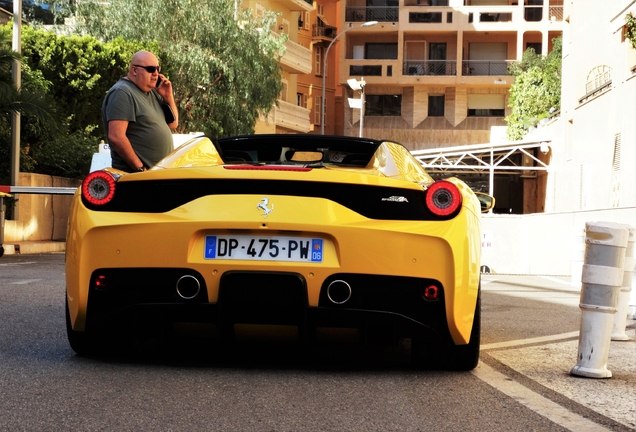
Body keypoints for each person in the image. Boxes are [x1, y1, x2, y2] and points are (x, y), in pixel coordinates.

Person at [101, 50, 179, 172]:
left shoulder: (153, 92)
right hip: (138, 178)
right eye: (150, 69)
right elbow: (116, 136)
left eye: (158, 69)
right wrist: (140, 169)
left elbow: (173, 124)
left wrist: (168, 96)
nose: (156, 74)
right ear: (134, 70)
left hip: (157, 176)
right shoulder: (122, 92)